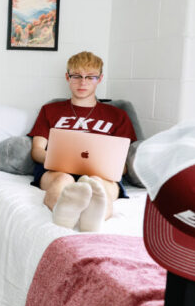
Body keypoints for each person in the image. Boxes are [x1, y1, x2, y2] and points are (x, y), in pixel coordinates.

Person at [28, 51, 137, 231]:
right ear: (67, 77)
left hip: (101, 174)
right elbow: (37, 150)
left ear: (100, 79)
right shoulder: (50, 110)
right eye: (76, 76)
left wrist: (103, 166)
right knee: (64, 179)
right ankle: (62, 217)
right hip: (57, 170)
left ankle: (94, 220)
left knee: (97, 184)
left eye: (90, 77)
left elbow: (122, 164)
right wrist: (61, 160)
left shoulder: (118, 116)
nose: (83, 82)